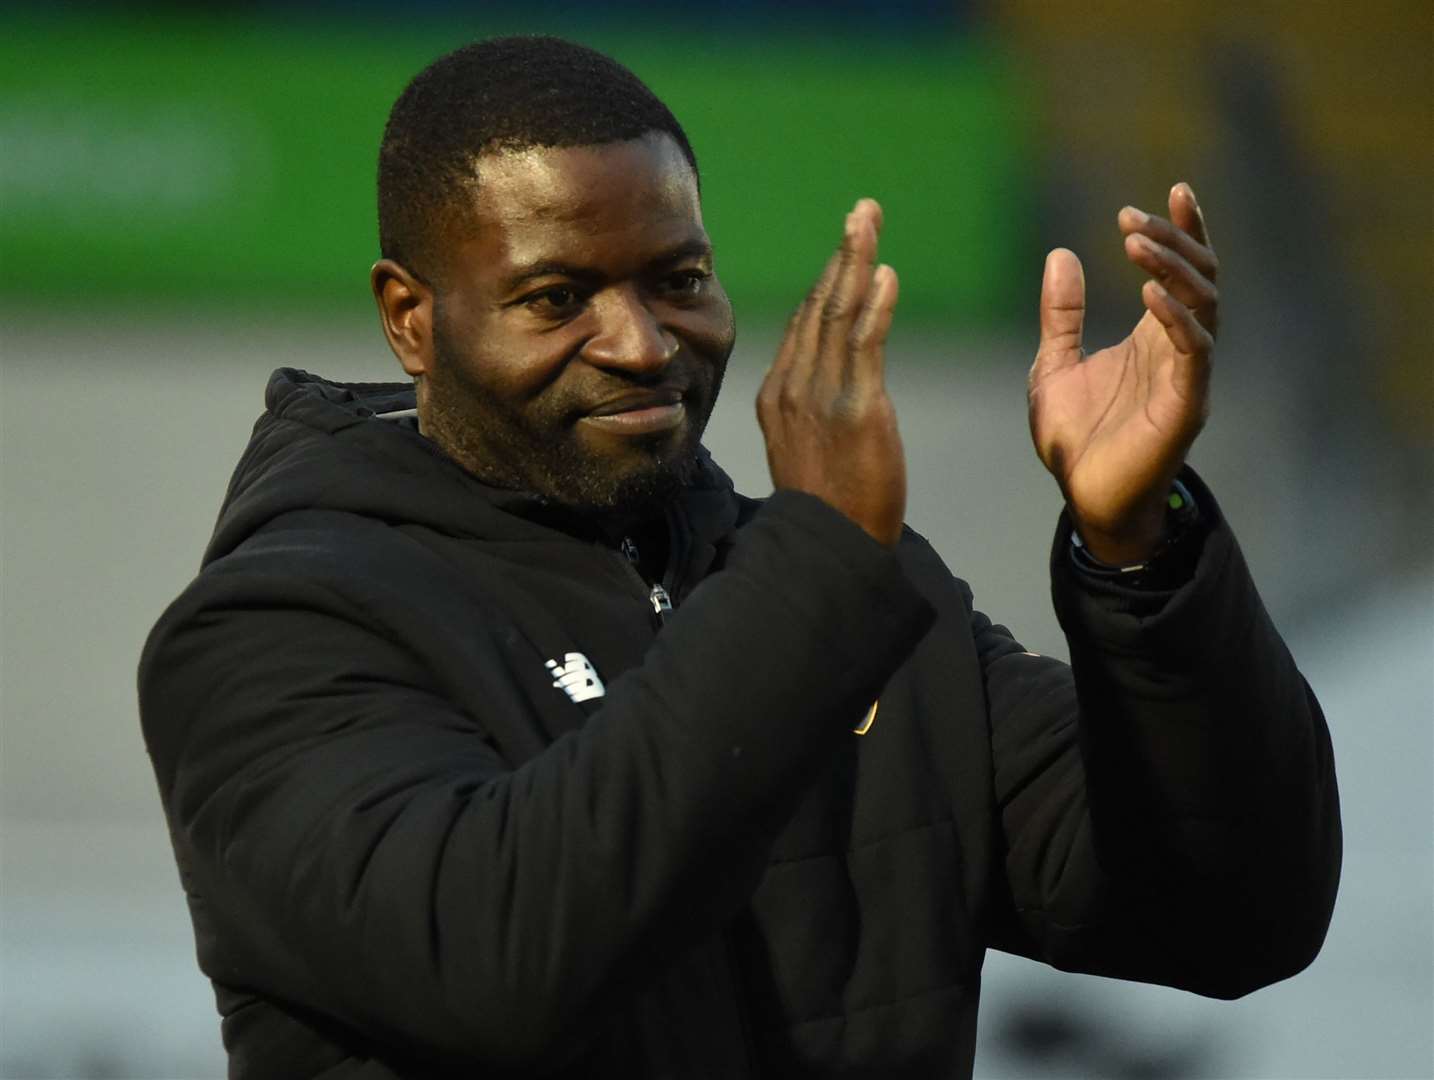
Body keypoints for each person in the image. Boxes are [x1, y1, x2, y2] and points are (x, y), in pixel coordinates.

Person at [138, 35, 1341, 1079]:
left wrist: (1141, 554)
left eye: (681, 280)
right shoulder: (274, 631)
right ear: (412, 316)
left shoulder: (872, 603)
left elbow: (1240, 914)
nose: (642, 344)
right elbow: (501, 969)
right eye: (556, 298)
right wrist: (815, 570)